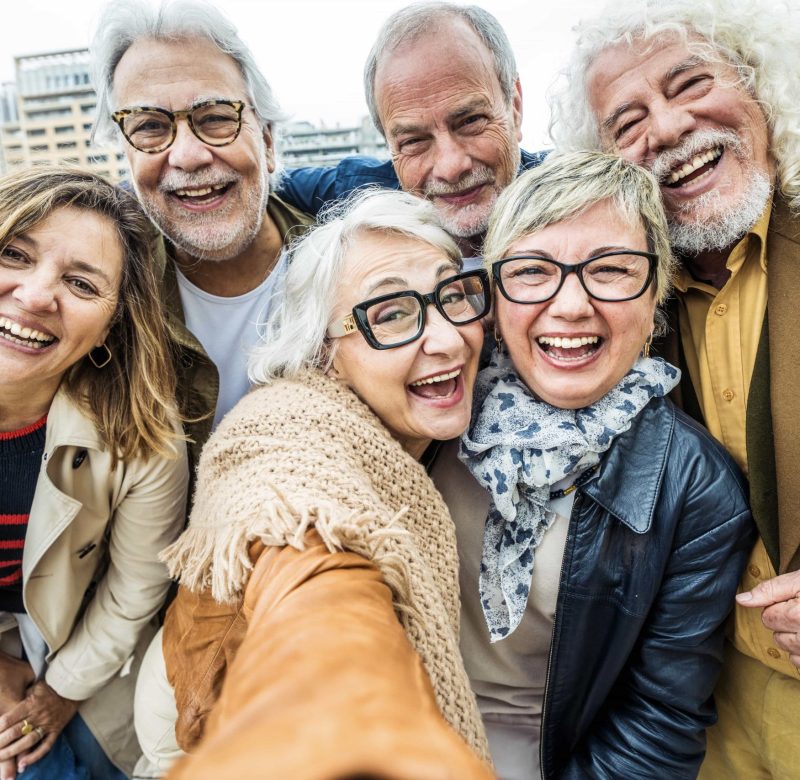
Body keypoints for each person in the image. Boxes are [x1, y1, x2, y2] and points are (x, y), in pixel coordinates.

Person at [133, 190, 495, 778]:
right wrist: (343, 691)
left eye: (452, 295)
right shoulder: (287, 429)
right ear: (324, 351)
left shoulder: (437, 426)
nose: (449, 339)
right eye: (392, 314)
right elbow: (305, 551)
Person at [430, 151, 755, 779]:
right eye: (531, 272)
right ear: (493, 294)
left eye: (610, 270)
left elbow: (656, 729)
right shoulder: (431, 411)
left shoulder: (697, 493)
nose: (571, 305)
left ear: (657, 290)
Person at [548, 2, 800, 775]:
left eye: (688, 83)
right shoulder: (619, 308)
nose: (663, 127)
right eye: (626, 123)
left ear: (761, 88)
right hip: (704, 716)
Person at [0, 166, 188, 780]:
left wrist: (57, 694)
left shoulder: (144, 435)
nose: (34, 294)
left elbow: (134, 589)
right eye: (13, 254)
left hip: (72, 654)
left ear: (111, 325)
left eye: (81, 283)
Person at [91, 0, 313, 462]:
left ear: (268, 141)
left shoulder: (348, 271)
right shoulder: (95, 293)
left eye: (214, 117)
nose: (188, 156)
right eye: (149, 126)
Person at [279, 1, 546, 258]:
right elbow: (271, 181)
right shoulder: (366, 191)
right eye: (414, 141)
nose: (451, 167)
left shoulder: (572, 195)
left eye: (470, 122)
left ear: (515, 107)